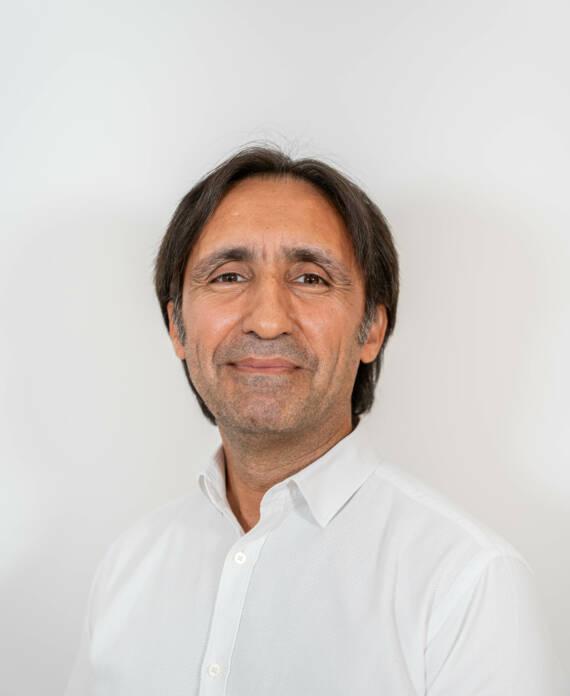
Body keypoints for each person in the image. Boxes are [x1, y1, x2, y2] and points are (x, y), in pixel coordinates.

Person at [64, 144, 568, 695]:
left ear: (372, 329)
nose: (267, 320)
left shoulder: (466, 585)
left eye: (310, 279)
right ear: (176, 328)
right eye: (229, 276)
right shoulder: (127, 567)